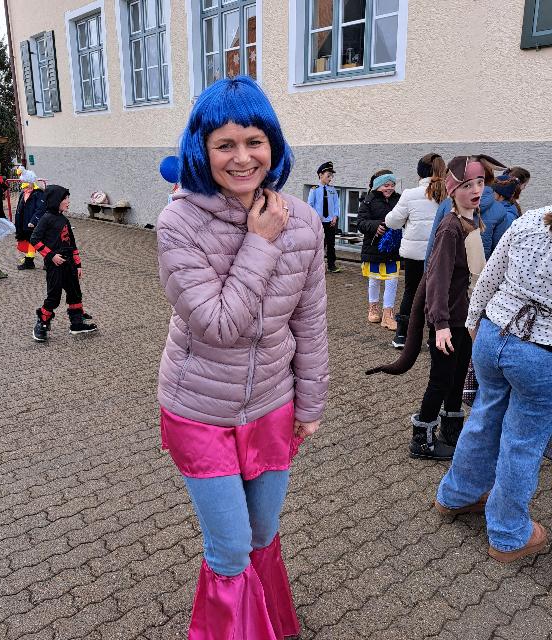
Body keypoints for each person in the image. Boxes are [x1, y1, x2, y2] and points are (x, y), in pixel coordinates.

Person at [156, 76, 328, 640]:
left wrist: (311, 403)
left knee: (262, 532)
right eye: (224, 144)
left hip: (273, 405)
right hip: (199, 410)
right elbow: (219, 324)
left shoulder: (303, 220)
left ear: (272, 144)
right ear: (201, 150)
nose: (242, 157)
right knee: (230, 548)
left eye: (254, 141)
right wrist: (260, 241)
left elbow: (310, 321)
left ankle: (269, 622)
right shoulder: (178, 223)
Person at [436, 208, 552, 563]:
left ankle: (456, 496)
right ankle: (508, 533)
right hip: (540, 352)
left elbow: (488, 277)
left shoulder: (531, 219)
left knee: (483, 418)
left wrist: (474, 324)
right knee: (522, 442)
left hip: (494, 332)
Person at [366, 156, 487, 461]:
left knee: (457, 378)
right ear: (453, 190)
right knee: (441, 380)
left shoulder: (471, 221)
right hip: (449, 320)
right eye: (467, 185)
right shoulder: (450, 228)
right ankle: (421, 440)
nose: (476, 190)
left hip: (464, 318)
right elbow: (437, 279)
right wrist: (441, 323)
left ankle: (451, 431)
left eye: (480, 182)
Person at [385, 153, 447, 348]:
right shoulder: (448, 194)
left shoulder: (410, 194)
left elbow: (392, 221)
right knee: (437, 294)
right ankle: (434, 337)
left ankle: (402, 335)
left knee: (411, 292)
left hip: (414, 254)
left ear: (419, 172)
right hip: (440, 254)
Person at [30, 185, 97, 341]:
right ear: (56, 201)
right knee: (54, 296)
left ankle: (77, 324)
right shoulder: (46, 219)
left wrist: (78, 265)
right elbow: (34, 239)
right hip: (55, 265)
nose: (68, 201)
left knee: (75, 293)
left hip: (69, 264)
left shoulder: (64, 219)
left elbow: (72, 244)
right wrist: (51, 255)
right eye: (65, 198)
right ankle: (42, 323)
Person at [424, 156, 507, 264]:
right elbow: (498, 254)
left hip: (450, 269)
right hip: (481, 271)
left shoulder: (447, 204)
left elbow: (433, 244)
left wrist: (426, 270)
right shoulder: (500, 210)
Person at [357, 172, 401, 330]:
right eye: (386, 185)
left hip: (393, 248)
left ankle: (388, 314)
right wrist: (375, 226)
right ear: (377, 186)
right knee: (374, 279)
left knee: (392, 280)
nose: (390, 188)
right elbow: (361, 222)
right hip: (373, 248)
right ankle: (373, 308)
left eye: (392, 185)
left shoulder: (399, 199)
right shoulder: (368, 201)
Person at [307, 161, 341, 273]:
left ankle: (331, 265)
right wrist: (315, 218)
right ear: (320, 175)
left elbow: (336, 204)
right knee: (319, 245)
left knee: (331, 244)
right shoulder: (314, 189)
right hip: (319, 222)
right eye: (328, 175)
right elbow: (310, 205)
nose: (330, 178)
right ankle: (317, 267)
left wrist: (335, 216)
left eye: (331, 176)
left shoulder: (332, 190)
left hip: (330, 222)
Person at [15, 170, 46, 270]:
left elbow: (40, 209)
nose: (24, 185)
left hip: (35, 224)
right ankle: (29, 262)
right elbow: (20, 208)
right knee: (30, 242)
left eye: (26, 182)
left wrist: (33, 221)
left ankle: (48, 260)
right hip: (25, 223)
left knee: (40, 242)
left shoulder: (38, 194)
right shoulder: (23, 193)